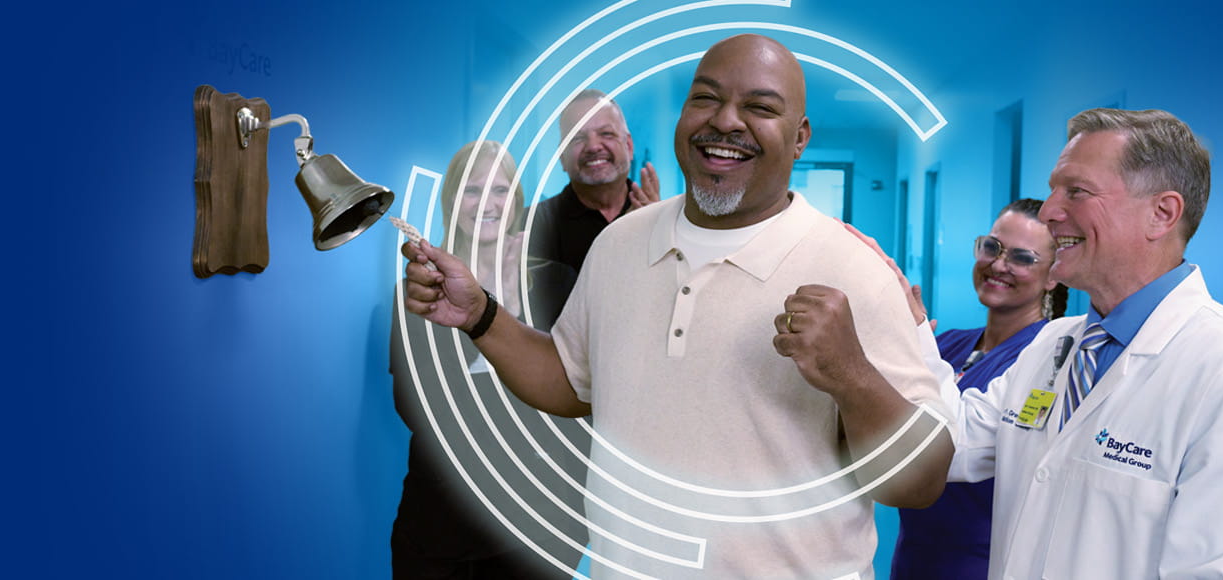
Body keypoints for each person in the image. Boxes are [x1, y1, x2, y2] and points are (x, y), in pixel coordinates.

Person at [401, 34, 953, 579]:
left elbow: (919, 482)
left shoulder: (855, 271)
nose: (726, 121)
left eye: (759, 107)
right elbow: (569, 382)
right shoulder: (618, 245)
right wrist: (480, 315)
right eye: (706, 98)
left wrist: (850, 374)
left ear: (800, 136)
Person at [862, 108, 1223, 578]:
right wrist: (911, 325)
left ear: (1161, 213)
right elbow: (954, 440)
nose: (1048, 211)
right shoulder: (1054, 345)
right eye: (1052, 190)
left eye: (1076, 192)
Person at [389, 141, 586, 579]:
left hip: (539, 527)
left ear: (515, 202)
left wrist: (508, 307)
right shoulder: (420, 290)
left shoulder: (559, 281)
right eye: (473, 190)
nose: (487, 204)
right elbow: (416, 405)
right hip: (439, 527)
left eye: (500, 191)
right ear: (452, 201)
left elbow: (573, 396)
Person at [885, 199, 1068, 580]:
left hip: (982, 566)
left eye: (1022, 257)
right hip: (913, 559)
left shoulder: (1046, 362)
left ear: (1054, 275)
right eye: (992, 247)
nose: (999, 265)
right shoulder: (947, 345)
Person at [526, 89, 659, 324]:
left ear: (628, 146)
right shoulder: (530, 227)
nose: (593, 146)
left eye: (606, 134)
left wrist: (659, 233)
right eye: (577, 138)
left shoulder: (665, 219)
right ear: (561, 158)